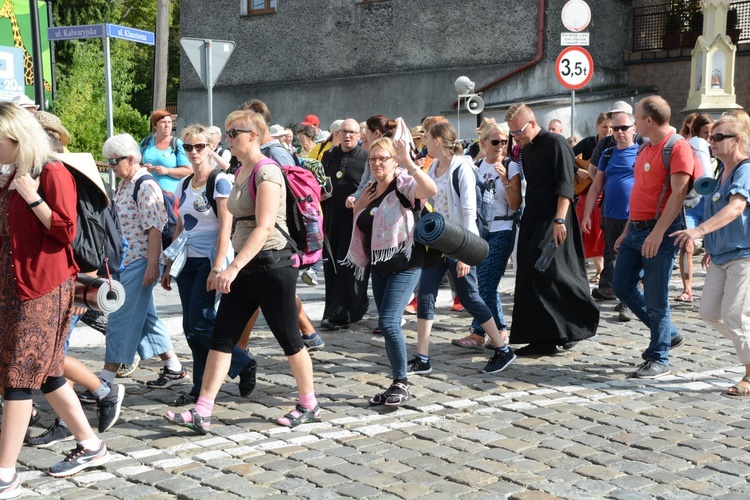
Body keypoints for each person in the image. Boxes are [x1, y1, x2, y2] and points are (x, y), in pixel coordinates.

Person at [165, 109, 320, 432]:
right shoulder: (239, 171)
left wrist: (230, 267)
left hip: (272, 264)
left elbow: (263, 228)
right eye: (227, 132)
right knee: (222, 337)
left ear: (254, 135)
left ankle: (309, 403)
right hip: (246, 268)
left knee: (289, 338)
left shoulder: (267, 172)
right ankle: (202, 409)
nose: (228, 138)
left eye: (234, 133)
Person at [0, 102, 110, 490]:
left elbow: (65, 232)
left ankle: (5, 474)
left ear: (15, 138)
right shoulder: (13, 172)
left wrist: (32, 197)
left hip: (44, 288)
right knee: (48, 373)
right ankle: (91, 445)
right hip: (14, 287)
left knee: (19, 376)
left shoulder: (51, 172)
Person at [408, 122, 517, 375]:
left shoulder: (463, 167)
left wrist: (466, 253)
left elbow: (469, 212)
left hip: (459, 242)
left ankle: (502, 349)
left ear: (438, 140)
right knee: (426, 295)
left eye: (426, 138)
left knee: (470, 297)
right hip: (438, 241)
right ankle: (422, 357)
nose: (424, 143)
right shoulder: (433, 166)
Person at [161, 125, 257, 406]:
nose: (193, 152)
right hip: (186, 259)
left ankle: (242, 362)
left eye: (199, 147)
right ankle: (199, 387)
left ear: (210, 148)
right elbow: (180, 226)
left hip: (211, 258)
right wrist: (168, 265)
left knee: (202, 321)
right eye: (188, 147)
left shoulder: (220, 181)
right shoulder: (184, 183)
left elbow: (225, 226)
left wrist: (217, 268)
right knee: (190, 326)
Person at [342, 137, 437, 405]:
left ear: (394, 160)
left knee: (388, 322)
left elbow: (430, 190)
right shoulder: (371, 188)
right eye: (372, 159)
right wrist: (359, 206)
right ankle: (397, 379)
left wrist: (409, 163)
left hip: (406, 264)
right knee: (387, 325)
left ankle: (401, 382)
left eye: (383, 158)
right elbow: (362, 224)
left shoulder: (404, 183)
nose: (376, 163)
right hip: (379, 266)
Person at [505, 102, 599, 356]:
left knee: (555, 274)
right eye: (512, 133)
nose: (516, 137)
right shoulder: (526, 149)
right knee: (530, 276)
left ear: (533, 123)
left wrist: (559, 221)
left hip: (554, 219)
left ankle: (574, 326)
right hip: (533, 217)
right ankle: (542, 337)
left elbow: (565, 184)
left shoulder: (556, 143)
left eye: (519, 131)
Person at [612, 96, 694, 379]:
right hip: (635, 229)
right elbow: (639, 194)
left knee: (657, 297)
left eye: (636, 116)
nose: (633, 122)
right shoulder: (646, 147)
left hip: (659, 231)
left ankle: (659, 356)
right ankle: (667, 333)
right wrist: (626, 231)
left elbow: (678, 195)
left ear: (649, 120)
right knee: (621, 284)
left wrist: (658, 234)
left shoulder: (677, 147)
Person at [99, 134, 189, 389]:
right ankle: (174, 368)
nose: (111, 167)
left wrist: (152, 266)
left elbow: (154, 229)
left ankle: (105, 381)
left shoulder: (144, 184)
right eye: (108, 162)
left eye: (114, 161)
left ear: (130, 158)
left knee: (121, 318)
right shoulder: (127, 183)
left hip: (140, 260)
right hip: (129, 260)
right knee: (146, 318)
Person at [671, 115, 750, 396]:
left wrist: (699, 232)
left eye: (719, 137)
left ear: (737, 140)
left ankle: (749, 374)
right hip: (719, 255)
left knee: (734, 316)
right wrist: (710, 242)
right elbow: (712, 209)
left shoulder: (745, 170)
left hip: (744, 254)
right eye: (711, 137)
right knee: (708, 313)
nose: (711, 142)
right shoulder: (718, 172)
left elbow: (735, 209)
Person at [451, 122, 522, 351]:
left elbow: (515, 203)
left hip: (503, 228)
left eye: (504, 141)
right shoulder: (477, 166)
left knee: (486, 283)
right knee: (482, 283)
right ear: (483, 144)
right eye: (495, 142)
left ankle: (489, 330)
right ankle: (490, 330)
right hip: (480, 231)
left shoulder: (511, 166)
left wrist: (504, 181)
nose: (501, 146)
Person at [582, 112, 638, 322]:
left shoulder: (641, 153)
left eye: (624, 128)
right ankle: (616, 291)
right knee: (612, 256)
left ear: (634, 129)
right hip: (610, 214)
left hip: (634, 216)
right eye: (616, 128)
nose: (620, 132)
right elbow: (596, 184)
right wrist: (587, 214)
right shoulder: (607, 154)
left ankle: (627, 300)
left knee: (629, 258)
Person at [320, 118, 369, 331]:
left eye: (352, 132)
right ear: (337, 134)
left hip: (354, 219)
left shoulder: (366, 158)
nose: (347, 136)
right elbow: (321, 181)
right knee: (331, 266)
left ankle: (345, 314)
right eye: (344, 132)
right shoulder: (329, 155)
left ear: (359, 136)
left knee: (347, 266)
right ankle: (331, 311)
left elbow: (371, 186)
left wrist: (359, 201)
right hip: (331, 218)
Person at [675, 114, 714, 303]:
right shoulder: (689, 146)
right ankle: (687, 290)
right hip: (691, 204)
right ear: (696, 132)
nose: (710, 137)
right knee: (687, 245)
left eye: (712, 133)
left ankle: (716, 290)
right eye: (706, 133)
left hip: (712, 205)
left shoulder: (718, 148)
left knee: (716, 247)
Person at [573, 112, 611, 286]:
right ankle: (599, 269)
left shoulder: (615, 144)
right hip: (588, 192)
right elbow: (566, 153)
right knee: (590, 231)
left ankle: (602, 270)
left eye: (611, 127)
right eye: (605, 127)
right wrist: (576, 169)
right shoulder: (589, 142)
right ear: (597, 126)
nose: (608, 130)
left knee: (602, 232)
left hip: (607, 191)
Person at [140, 110, 191, 193]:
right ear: (155, 125)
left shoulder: (177, 144)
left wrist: (167, 171)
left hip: (171, 197)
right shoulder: (145, 142)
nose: (167, 125)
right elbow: (135, 166)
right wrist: (143, 169)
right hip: (146, 194)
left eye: (169, 122)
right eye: (163, 122)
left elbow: (189, 171)